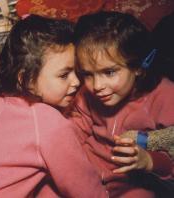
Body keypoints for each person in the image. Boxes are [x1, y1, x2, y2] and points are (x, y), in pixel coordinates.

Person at [0, 14, 107, 198]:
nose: (76, 81)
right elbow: (83, 185)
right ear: (26, 80)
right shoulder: (50, 123)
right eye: (64, 75)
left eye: (76, 71)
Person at [71, 11, 174, 197]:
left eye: (109, 72)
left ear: (138, 67)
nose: (96, 86)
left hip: (133, 184)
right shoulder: (86, 96)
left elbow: (170, 157)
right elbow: (72, 132)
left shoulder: (165, 97)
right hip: (85, 174)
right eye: (87, 74)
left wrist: (149, 161)